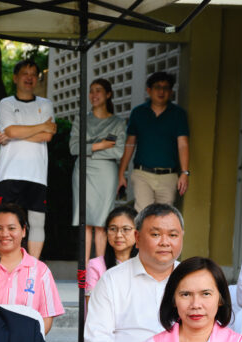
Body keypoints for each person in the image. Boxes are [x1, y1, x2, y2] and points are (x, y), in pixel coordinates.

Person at [85, 203, 184, 342]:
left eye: (173, 235)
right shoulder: (112, 280)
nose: (165, 242)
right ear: (137, 238)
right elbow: (96, 337)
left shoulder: (193, 279)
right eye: (156, 234)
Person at [0, 58, 56, 260]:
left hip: (37, 174)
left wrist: (13, 133)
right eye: (24, 74)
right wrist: (39, 127)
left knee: (37, 221)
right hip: (10, 172)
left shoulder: (46, 104)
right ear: (15, 78)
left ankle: (34, 267)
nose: (29, 78)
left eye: (33, 74)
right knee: (5, 221)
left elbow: (48, 136)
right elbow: (11, 130)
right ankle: (3, 264)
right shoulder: (6, 103)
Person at [69, 78, 127, 266]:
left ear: (108, 94)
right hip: (83, 173)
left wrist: (89, 151)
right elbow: (73, 148)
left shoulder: (117, 122)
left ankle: (99, 270)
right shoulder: (81, 119)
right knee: (85, 223)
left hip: (106, 175)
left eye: (98, 90)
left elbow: (118, 151)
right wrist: (100, 145)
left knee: (102, 224)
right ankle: (83, 271)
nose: (94, 95)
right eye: (91, 91)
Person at [117, 71, 190, 212]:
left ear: (171, 92)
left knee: (163, 217)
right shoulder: (138, 113)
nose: (161, 91)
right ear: (149, 90)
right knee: (144, 214)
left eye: (166, 88)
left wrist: (185, 173)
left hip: (168, 176)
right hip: (142, 174)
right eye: (157, 87)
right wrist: (121, 173)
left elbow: (183, 144)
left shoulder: (178, 114)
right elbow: (130, 143)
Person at [0, 204, 64, 336]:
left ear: (23, 231)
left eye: (11, 228)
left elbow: (46, 317)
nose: (5, 234)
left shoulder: (40, 271)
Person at [85, 205, 138, 295]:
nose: (118, 235)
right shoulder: (96, 265)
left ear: (138, 233)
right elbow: (91, 305)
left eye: (126, 229)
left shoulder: (147, 265)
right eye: (113, 229)